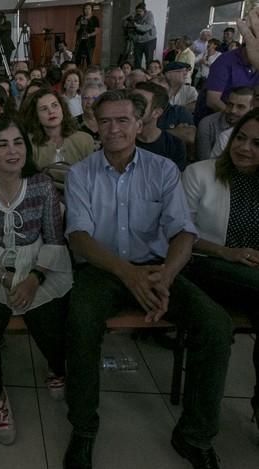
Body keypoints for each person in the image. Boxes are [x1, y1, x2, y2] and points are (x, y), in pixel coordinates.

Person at [62, 89, 232, 469]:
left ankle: (194, 435)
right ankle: (84, 428)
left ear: (140, 124)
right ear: (95, 125)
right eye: (105, 121)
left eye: (123, 120)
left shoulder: (163, 169)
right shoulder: (81, 173)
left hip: (157, 269)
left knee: (215, 325)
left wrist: (166, 277)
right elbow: (80, 237)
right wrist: (128, 275)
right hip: (103, 269)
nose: (114, 129)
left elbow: (183, 232)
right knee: (80, 321)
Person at [0, 116, 71, 445]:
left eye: (18, 142)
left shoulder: (41, 186)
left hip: (38, 262)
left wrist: (33, 279)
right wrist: (4, 278)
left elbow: (54, 241)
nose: (12, 151)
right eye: (2, 144)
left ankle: (56, 367)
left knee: (50, 327)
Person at [181, 108, 259, 437]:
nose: (244, 148)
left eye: (257, 143)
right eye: (240, 138)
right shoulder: (200, 173)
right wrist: (226, 252)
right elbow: (179, 233)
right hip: (201, 263)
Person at [23, 89, 94, 172]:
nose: (51, 111)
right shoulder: (29, 143)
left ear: (62, 108)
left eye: (55, 105)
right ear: (35, 115)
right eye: (44, 109)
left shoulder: (84, 140)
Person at [132, 81, 187, 171]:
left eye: (139, 103)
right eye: (131, 101)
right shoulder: (119, 138)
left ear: (156, 113)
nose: (130, 107)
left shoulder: (175, 145)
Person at [196, 86, 254, 160]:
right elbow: (203, 161)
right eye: (230, 104)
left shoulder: (255, 127)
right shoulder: (208, 124)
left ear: (252, 109)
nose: (233, 110)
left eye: (240, 107)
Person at [124, 2, 157, 69]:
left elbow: (147, 27)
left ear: (144, 11)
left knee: (149, 60)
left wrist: (136, 25)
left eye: (140, 11)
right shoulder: (135, 16)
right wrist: (130, 16)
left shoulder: (149, 15)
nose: (138, 13)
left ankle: (149, 75)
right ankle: (137, 75)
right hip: (138, 41)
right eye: (137, 11)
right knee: (137, 61)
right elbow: (124, 20)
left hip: (149, 40)